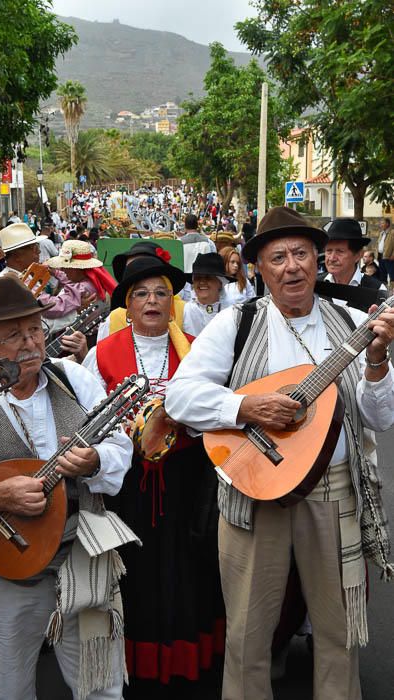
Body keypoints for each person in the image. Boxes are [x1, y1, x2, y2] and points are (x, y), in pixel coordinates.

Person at [165, 206, 394, 700]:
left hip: (333, 493)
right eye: (278, 257)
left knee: (338, 632)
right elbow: (178, 398)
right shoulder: (236, 323)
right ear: (259, 269)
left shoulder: (354, 323)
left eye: (301, 254)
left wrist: (376, 364)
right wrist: (245, 406)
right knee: (248, 632)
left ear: (318, 261)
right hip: (255, 491)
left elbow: (380, 418)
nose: (292, 266)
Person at [0, 275, 136, 700]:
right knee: (10, 689)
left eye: (35, 330)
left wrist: (96, 461)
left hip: (84, 560)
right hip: (4, 574)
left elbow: (119, 447)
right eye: (13, 335)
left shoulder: (74, 378)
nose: (31, 344)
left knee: (102, 688)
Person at [84, 257, 225, 699]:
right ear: (127, 305)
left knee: (191, 574)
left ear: (172, 302)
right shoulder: (101, 353)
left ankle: (189, 670)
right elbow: (89, 420)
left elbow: (219, 410)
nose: (151, 301)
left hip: (187, 483)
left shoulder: (199, 349)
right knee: (136, 577)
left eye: (161, 293)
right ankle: (134, 672)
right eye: (141, 294)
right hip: (129, 487)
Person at [323, 219, 386, 311]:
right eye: (328, 251)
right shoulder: (314, 286)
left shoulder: (377, 290)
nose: (332, 258)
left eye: (340, 251)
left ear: (358, 255)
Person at [183, 252, 230, 336]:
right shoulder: (187, 310)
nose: (202, 282)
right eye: (197, 278)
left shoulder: (230, 311)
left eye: (208, 277)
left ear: (220, 283)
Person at [377, 217, 394, 285]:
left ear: (387, 224)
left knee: (392, 276)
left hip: (389, 258)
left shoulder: (392, 232)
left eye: (382, 223)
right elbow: (379, 244)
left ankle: (393, 293)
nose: (380, 225)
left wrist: (393, 255)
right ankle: (384, 292)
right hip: (381, 257)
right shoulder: (381, 233)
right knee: (382, 276)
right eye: (380, 223)